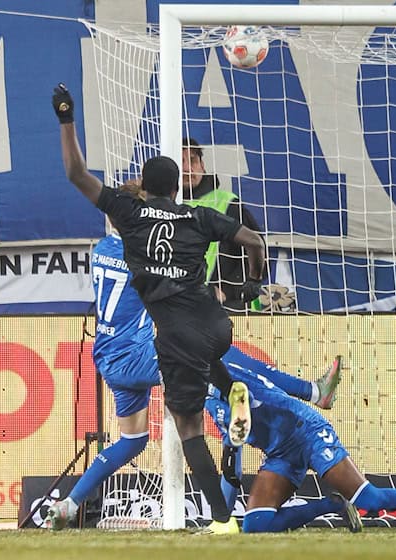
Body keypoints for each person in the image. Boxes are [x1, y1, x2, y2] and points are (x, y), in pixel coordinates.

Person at [44, 181, 342, 530]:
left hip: (108, 356)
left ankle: (69, 503)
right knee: (224, 358)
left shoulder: (103, 249)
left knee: (132, 440)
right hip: (136, 355)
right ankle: (287, 395)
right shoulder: (142, 254)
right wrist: (248, 294)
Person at [53, 83, 265, 533]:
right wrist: (250, 286)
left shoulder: (114, 239)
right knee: (205, 385)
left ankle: (74, 505)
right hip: (189, 331)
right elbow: (252, 239)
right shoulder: (196, 217)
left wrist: (66, 118)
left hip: (115, 354)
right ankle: (237, 402)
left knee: (159, 433)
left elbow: (76, 174)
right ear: (177, 187)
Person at [206, 360, 396, 534]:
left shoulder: (230, 378)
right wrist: (222, 519)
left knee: (369, 500)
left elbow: (256, 401)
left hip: (307, 432)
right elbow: (234, 459)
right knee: (257, 525)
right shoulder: (205, 400)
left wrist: (222, 517)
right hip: (279, 453)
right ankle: (331, 505)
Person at [181, 138, 279, 312]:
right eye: (181, 162)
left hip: (224, 310)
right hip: (178, 308)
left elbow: (258, 248)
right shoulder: (161, 206)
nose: (188, 169)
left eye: (193, 160)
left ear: (203, 165)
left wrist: (231, 291)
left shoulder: (227, 203)